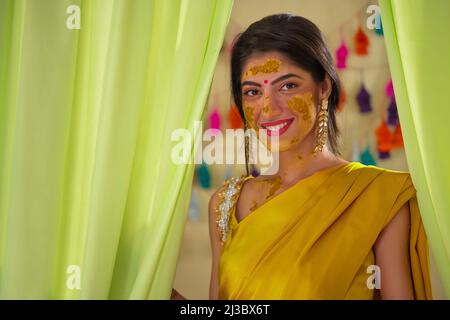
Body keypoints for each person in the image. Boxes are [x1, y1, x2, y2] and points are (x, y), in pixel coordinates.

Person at [173, 13, 432, 300]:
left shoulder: (378, 195)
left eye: (287, 86)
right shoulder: (225, 203)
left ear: (324, 87)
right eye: (252, 91)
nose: (268, 108)